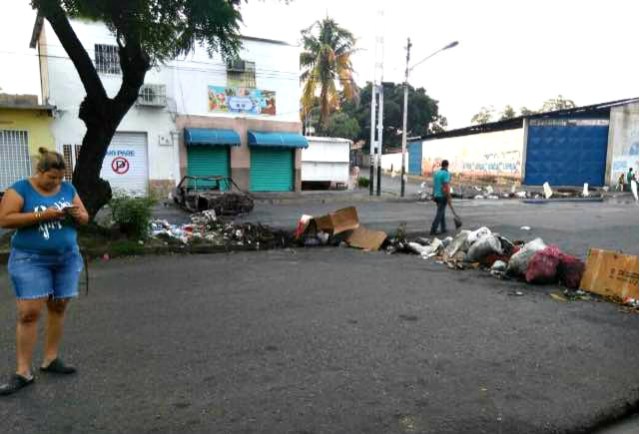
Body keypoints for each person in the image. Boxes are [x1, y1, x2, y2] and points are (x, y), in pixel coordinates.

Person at [0, 148, 89, 396]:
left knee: (59, 306)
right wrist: (45, 215)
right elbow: (5, 219)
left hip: (66, 258)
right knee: (29, 313)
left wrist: (78, 215)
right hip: (30, 258)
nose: (56, 183)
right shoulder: (19, 189)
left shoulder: (68, 189)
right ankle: (22, 372)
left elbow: (85, 216)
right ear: (39, 172)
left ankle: (51, 359)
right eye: (51, 178)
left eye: (60, 178)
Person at [430, 160, 451, 235]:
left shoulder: (437, 173)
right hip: (442, 196)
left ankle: (443, 228)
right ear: (447, 165)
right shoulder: (446, 173)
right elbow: (446, 185)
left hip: (436, 196)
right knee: (440, 213)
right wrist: (448, 196)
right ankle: (433, 229)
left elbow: (434, 185)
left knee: (442, 212)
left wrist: (433, 195)